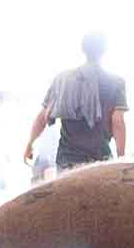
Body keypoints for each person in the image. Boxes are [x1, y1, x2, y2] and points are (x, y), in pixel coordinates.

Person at [23, 33, 127, 173]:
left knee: (67, 195)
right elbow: (117, 121)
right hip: (99, 160)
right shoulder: (115, 83)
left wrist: (30, 143)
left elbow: (42, 116)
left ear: (83, 49)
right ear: (105, 50)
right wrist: (121, 159)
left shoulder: (62, 79)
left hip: (67, 161)